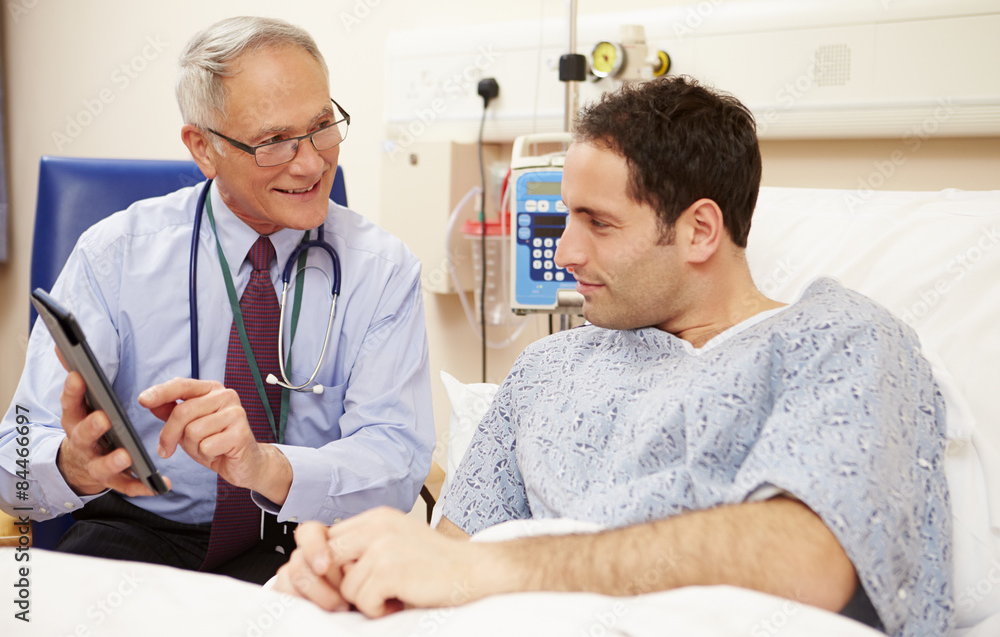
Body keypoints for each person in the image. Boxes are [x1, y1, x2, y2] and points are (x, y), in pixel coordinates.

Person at [273, 76, 953, 636]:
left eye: (597, 223)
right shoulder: (548, 369)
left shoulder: (840, 340)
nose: (565, 252)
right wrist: (358, 578)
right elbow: (448, 558)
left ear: (699, 230)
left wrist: (506, 569)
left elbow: (808, 563)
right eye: (568, 217)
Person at [0, 16, 434, 583]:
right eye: (274, 142)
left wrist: (265, 466)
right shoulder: (115, 254)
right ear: (202, 147)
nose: (311, 162)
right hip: (138, 536)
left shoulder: (383, 271)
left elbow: (397, 467)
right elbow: (13, 464)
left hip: (308, 541)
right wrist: (71, 465)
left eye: (323, 126)